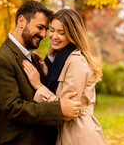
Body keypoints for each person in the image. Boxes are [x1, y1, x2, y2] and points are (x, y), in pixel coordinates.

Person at [0, 1, 82, 145]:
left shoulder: (32, 58)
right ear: (21, 21)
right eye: (40, 27)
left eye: (46, 30)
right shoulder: (1, 59)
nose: (43, 35)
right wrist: (58, 109)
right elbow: (13, 108)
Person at [22, 8, 106, 145]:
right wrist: (46, 72)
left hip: (79, 136)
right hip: (68, 134)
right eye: (53, 30)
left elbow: (68, 111)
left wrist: (39, 85)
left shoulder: (76, 61)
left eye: (61, 33)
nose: (54, 36)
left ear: (72, 34)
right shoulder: (63, 58)